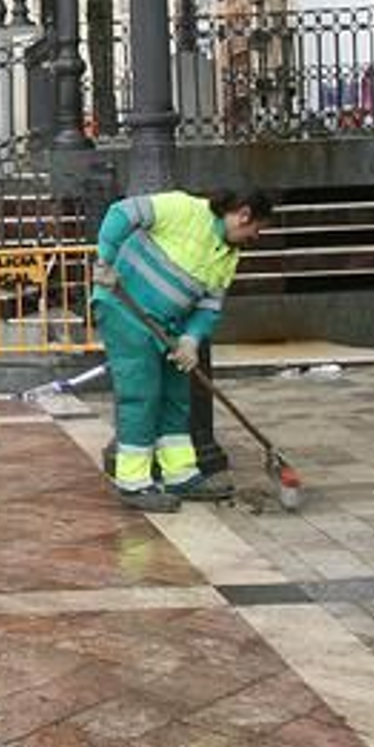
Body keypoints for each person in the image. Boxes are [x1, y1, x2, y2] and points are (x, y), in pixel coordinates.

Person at [93, 189, 273, 513]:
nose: (256, 237)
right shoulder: (183, 208)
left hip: (169, 327)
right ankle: (132, 483)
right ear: (243, 214)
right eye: (256, 229)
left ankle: (180, 474)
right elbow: (121, 213)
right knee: (141, 394)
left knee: (176, 395)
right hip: (124, 311)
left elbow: (209, 305)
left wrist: (191, 339)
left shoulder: (228, 256)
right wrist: (105, 260)